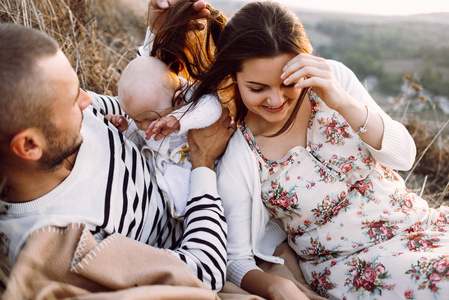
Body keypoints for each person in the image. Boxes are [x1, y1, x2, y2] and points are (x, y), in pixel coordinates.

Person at [157, 1, 449, 299]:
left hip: (422, 226)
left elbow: (404, 157)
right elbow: (236, 259)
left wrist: (341, 102)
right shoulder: (243, 153)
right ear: (234, 78)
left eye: (288, 83)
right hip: (359, 265)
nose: (276, 100)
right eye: (258, 88)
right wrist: (275, 285)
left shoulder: (334, 80)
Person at [0, 0, 235, 293]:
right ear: (30, 146)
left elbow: (141, 110)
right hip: (208, 218)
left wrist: (157, 34)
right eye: (74, 98)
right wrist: (203, 161)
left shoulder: (62, 116)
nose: (88, 101)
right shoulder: (64, 246)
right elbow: (205, 272)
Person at [105, 55, 222, 218]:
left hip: (209, 182)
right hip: (167, 191)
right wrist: (126, 128)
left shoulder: (191, 98)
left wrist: (179, 119)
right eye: (137, 119)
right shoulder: (150, 110)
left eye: (152, 119)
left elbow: (213, 107)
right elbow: (142, 139)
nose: (146, 126)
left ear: (178, 99)